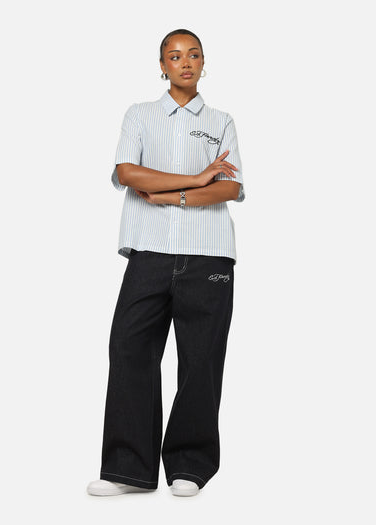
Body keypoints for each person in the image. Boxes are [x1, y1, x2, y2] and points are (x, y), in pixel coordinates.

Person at [87, 28, 245, 497]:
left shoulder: (221, 121)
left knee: (201, 360)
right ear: (162, 66)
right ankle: (127, 470)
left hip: (209, 253)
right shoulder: (140, 115)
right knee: (129, 349)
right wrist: (196, 178)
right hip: (148, 249)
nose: (185, 62)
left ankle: (190, 465)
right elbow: (127, 172)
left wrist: (171, 194)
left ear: (203, 63)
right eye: (175, 56)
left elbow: (230, 187)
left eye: (194, 54)